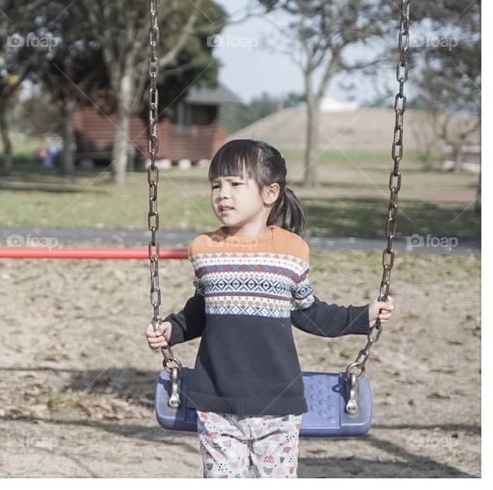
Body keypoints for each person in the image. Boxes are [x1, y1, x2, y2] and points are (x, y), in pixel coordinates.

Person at [144, 139, 395, 478]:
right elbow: (200, 312)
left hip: (278, 403)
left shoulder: (291, 250)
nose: (222, 194)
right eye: (216, 185)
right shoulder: (205, 249)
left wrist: (362, 316)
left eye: (235, 184)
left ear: (269, 192)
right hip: (216, 401)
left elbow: (309, 312)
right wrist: (171, 330)